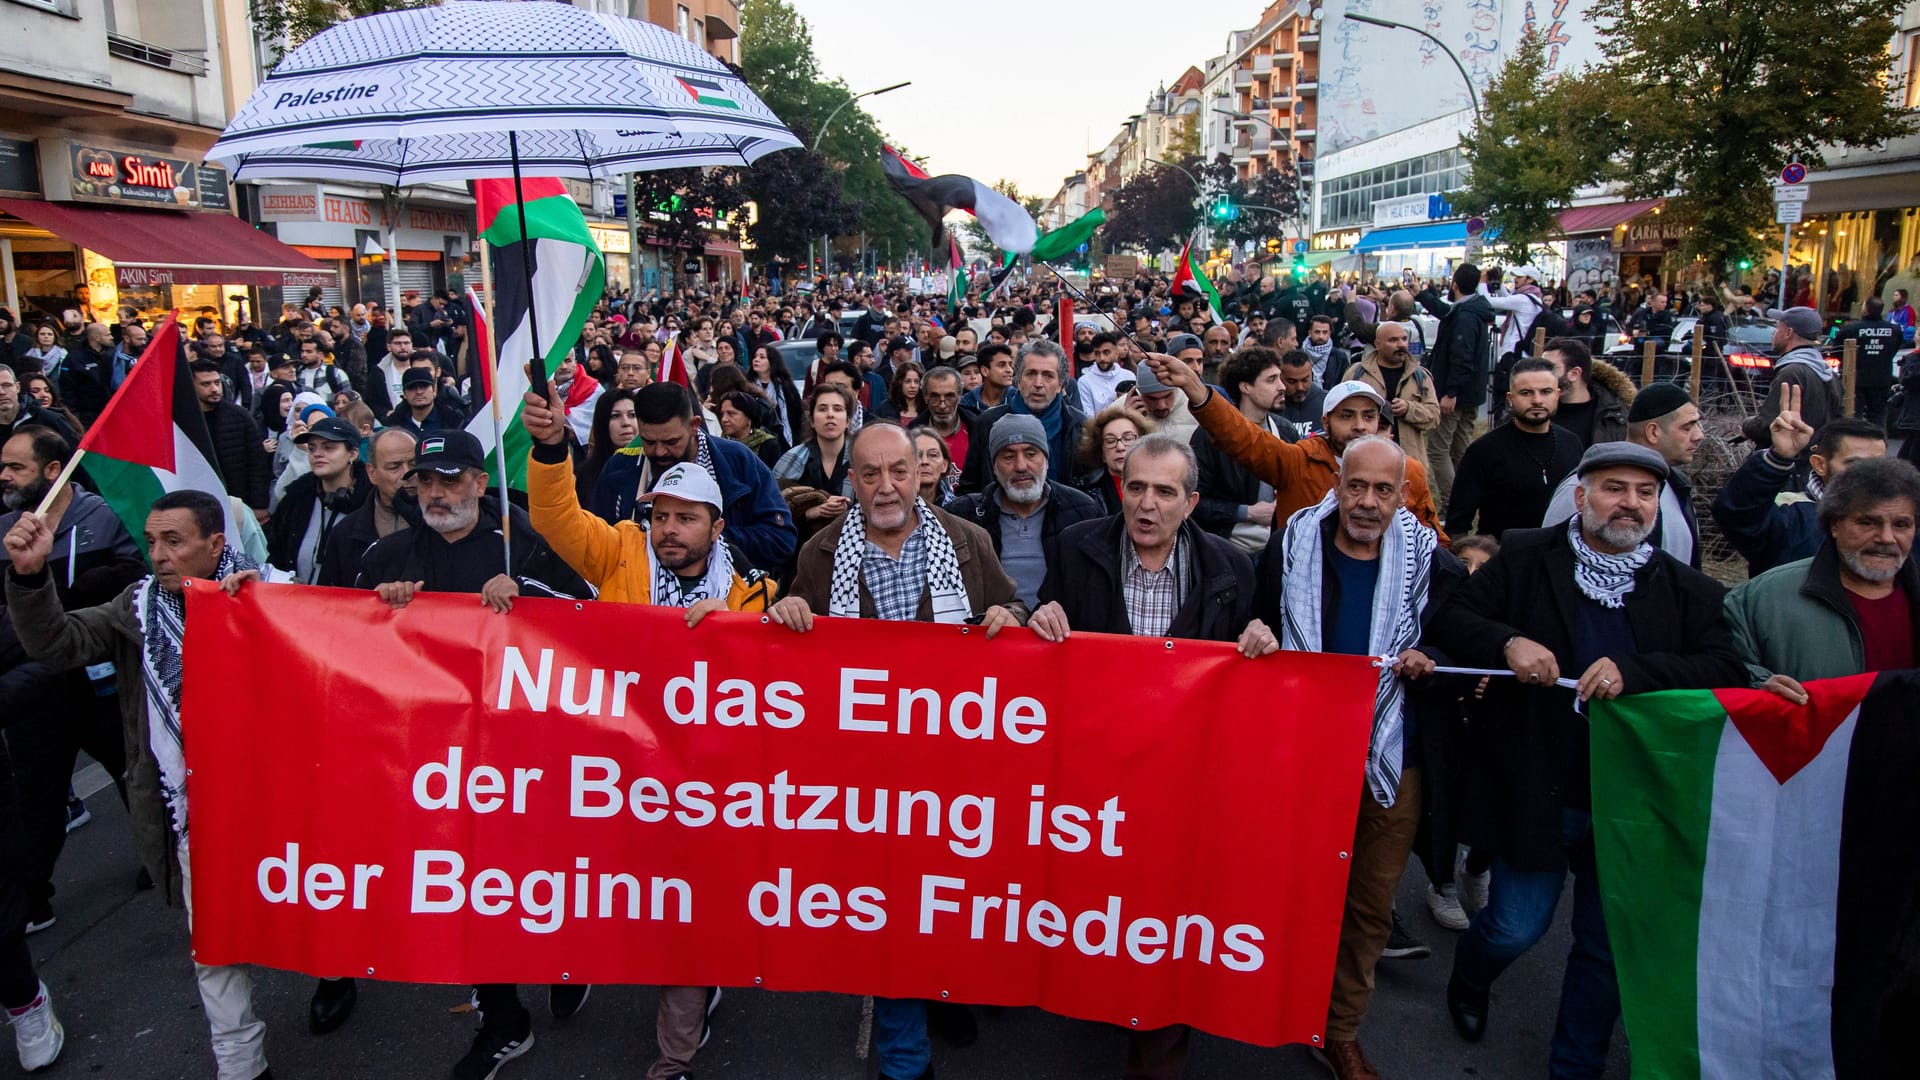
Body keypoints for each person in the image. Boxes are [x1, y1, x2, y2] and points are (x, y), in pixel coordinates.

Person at [1428, 442, 1744, 1077]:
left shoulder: (1688, 589)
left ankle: (1574, 1065)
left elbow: (1724, 667)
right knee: (1516, 927)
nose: (1630, 503)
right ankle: (1469, 978)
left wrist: (1637, 670)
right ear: (1581, 497)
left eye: (1645, 493)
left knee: (1604, 948)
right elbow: (1452, 617)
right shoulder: (1524, 556)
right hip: (1541, 783)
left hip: (1633, 799)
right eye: (1614, 488)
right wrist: (1510, 641)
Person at [325, 430, 588, 1080]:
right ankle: (503, 1021)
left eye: (450, 479)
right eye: (426, 481)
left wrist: (526, 592)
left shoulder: (524, 542)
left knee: (536, 876)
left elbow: (591, 618)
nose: (437, 493)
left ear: (478, 482)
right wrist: (377, 611)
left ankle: (568, 960)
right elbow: (326, 626)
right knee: (469, 890)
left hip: (523, 754)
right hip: (433, 763)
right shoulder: (387, 555)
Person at [768, 422, 1026, 1080]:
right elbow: (800, 654)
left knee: (944, 901)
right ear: (851, 480)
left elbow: (1011, 609)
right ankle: (905, 1058)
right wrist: (790, 613)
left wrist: (1011, 620)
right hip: (866, 782)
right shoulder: (823, 551)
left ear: (922, 474)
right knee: (886, 912)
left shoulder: (967, 543)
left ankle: (943, 990)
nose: (886, 487)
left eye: (899, 472)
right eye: (870, 474)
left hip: (952, 776)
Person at [7, 490, 275, 1080]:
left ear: (216, 545)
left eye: (174, 541)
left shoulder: (267, 595)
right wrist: (29, 579)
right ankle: (242, 1064)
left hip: (278, 805)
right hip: (191, 811)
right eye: (152, 541)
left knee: (310, 912)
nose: (158, 555)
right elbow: (56, 642)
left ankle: (334, 978)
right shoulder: (137, 609)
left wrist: (263, 609)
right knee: (215, 943)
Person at [1025, 431, 1255, 1080]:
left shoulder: (1233, 570)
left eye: (1164, 491)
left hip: (1186, 784)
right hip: (1102, 777)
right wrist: (1041, 620)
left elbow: (1250, 676)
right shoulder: (1075, 548)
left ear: (1192, 501)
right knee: (1109, 908)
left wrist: (1260, 643)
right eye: (1135, 486)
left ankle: (1156, 1036)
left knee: (1168, 911)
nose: (1146, 503)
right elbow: (1051, 627)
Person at [1252, 436, 1464, 1080]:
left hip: (1391, 760)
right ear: (1336, 484)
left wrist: (1433, 667)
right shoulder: (1291, 547)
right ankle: (1264, 1003)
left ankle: (1339, 1030)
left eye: (1383, 490)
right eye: (1356, 487)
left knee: (1369, 905)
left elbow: (1460, 653)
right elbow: (1256, 622)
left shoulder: (1436, 567)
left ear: (1405, 496)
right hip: (1300, 751)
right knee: (1287, 892)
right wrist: (1257, 634)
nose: (1367, 503)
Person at [1148, 354, 1446, 538]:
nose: (1359, 425)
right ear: (1326, 422)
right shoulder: (1299, 462)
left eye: (1368, 416)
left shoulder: (1408, 471)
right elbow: (1243, 437)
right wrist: (1196, 389)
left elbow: (1432, 539)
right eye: (1347, 416)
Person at [1724, 457, 1920, 693]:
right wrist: (1756, 681)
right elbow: (1718, 668)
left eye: (1901, 525)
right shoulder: (1760, 600)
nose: (1886, 538)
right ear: (1835, 524)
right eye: (1868, 522)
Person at [586, 383, 796, 573]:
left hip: (726, 602)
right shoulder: (621, 468)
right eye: (648, 441)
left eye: (671, 441)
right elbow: (596, 545)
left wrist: (708, 540)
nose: (659, 452)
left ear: (694, 425)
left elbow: (780, 540)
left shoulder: (737, 461)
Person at [1713, 386, 1887, 576]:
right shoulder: (1789, 511)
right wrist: (1778, 457)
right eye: (1854, 464)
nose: (1870, 474)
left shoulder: (1900, 517)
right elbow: (1736, 514)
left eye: (1878, 464)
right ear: (1820, 464)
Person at [945, 414, 1102, 609]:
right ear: (994, 465)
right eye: (1009, 457)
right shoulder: (964, 516)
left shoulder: (1083, 511)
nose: (1021, 466)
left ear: (1046, 459)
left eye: (1030, 454)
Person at [1541, 382, 1703, 567]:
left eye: (1645, 492)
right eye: (1687, 427)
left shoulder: (1676, 486)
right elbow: (1550, 563)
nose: (1699, 435)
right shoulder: (1585, 485)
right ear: (1653, 432)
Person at [1444, 358, 1583, 541]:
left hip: (1560, 556)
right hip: (1503, 559)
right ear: (1510, 398)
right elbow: (1457, 524)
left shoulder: (1571, 443)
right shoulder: (1484, 451)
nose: (1537, 400)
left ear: (1557, 394)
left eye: (1545, 392)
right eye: (1526, 393)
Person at [1193, 346, 1293, 556]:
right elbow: (1193, 501)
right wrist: (1246, 512)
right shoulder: (1210, 436)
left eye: (1280, 378)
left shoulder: (1285, 432)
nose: (1282, 386)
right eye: (1271, 380)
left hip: (1280, 548)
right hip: (1227, 551)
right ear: (1245, 387)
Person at [957, 340, 1087, 494]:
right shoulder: (989, 423)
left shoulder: (1081, 427)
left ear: (1060, 384)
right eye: (1031, 374)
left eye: (1048, 376)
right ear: (1018, 380)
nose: (1038, 383)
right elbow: (970, 486)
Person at [1417, 264, 1496, 505]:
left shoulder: (1465, 316)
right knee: (1461, 450)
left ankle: (1454, 503)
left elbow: (1461, 357)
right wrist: (1421, 294)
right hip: (1472, 393)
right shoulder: (1473, 310)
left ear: (1454, 284)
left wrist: (1451, 392)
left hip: (1456, 394)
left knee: (1438, 450)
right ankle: (1470, 496)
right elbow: (1447, 311)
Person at [266, 417, 369, 585]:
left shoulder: (372, 502)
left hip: (349, 607)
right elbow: (277, 554)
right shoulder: (296, 498)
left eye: (329, 447)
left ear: (353, 453)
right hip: (296, 605)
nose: (318, 454)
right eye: (312, 448)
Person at [319, 428, 418, 588]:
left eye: (414, 464)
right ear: (372, 473)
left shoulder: (443, 525)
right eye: (394, 467)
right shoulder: (344, 533)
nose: (407, 474)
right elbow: (331, 598)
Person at [1742, 306, 1841, 464]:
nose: (1773, 333)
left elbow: (1770, 424)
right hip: (1815, 460)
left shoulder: (1791, 372)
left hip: (1788, 462)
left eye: (1776, 328)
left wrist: (1748, 426)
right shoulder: (1826, 371)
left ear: (1788, 333)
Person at [1341, 320, 1441, 466]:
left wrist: (1408, 409)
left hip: (1408, 461)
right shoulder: (1357, 373)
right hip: (1366, 459)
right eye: (1393, 340)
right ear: (1377, 344)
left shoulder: (1420, 376)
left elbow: (1434, 416)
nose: (1401, 344)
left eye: (1404, 339)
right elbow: (1342, 414)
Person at [773, 383, 856, 548]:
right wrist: (809, 513)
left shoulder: (862, 460)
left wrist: (847, 510)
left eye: (838, 409)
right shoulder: (791, 460)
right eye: (823, 409)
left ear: (847, 421)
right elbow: (773, 513)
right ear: (811, 420)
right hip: (800, 554)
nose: (830, 415)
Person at [190, 360, 272, 522]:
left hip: (237, 502)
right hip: (196, 503)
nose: (214, 389)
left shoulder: (239, 417)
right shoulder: (183, 421)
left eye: (217, 382)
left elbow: (257, 463)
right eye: (206, 384)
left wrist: (259, 504)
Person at [1536, 339, 1633, 449]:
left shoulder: (1616, 416)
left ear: (1574, 373)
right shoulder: (1535, 408)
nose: (1542, 375)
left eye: (1550, 368)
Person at [1076, 402, 1155, 515]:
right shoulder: (1087, 492)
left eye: (1128, 438)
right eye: (1110, 441)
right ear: (1101, 451)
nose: (1120, 447)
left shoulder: (1161, 480)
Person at [1833, 297, 1901, 425]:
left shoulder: (1851, 330)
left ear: (1866, 310)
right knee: (1878, 417)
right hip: (1882, 379)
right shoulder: (1894, 330)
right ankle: (1879, 442)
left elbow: (1837, 350)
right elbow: (1894, 348)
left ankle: (1854, 442)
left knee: (1853, 416)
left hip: (1856, 380)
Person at [577, 388, 640, 503]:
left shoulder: (648, 469)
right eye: (615, 416)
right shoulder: (586, 473)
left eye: (632, 415)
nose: (626, 423)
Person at [912, 365, 976, 471]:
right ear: (925, 397)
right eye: (935, 397)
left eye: (949, 396)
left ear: (960, 396)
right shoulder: (911, 434)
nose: (942, 405)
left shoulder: (977, 429)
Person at [0, 366, 79, 449]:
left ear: (17, 387)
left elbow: (77, 456)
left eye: (6, 385)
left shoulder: (48, 419)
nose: (1, 392)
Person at [717, 391, 786, 469]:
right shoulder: (717, 445)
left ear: (749, 418)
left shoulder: (767, 445)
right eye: (722, 414)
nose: (724, 419)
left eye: (731, 414)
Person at [1276, 348, 1327, 439]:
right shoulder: (1270, 406)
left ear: (1312, 374)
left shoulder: (1326, 402)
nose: (1300, 387)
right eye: (1292, 381)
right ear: (1280, 377)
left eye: (1305, 380)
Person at [1075, 332, 1130, 414]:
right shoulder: (1085, 381)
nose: (1102, 358)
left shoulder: (1129, 376)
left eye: (1106, 352)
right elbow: (1088, 417)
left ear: (1116, 352)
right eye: (1097, 353)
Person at [958, 341, 1014, 412]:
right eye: (1001, 365)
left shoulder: (1018, 400)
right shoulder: (967, 402)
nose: (1009, 370)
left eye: (1010, 365)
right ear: (984, 371)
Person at [912, 429, 955, 508]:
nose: (924, 462)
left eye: (933, 455)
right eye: (917, 455)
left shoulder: (959, 510)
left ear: (944, 465)